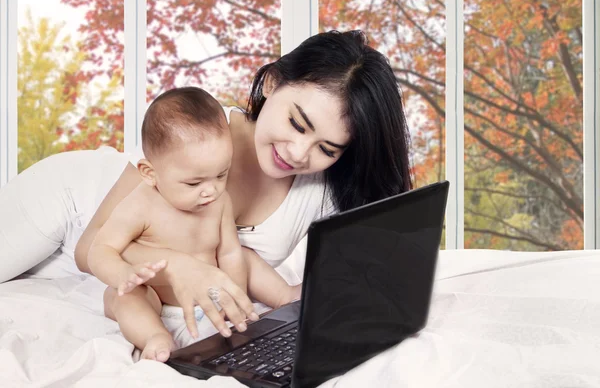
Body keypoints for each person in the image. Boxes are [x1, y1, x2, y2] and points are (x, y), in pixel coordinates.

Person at [0, 30, 413, 347]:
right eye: (296, 123)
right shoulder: (202, 137)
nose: (299, 152)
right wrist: (180, 266)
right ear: (271, 84)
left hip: (124, 284)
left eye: (327, 147)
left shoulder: (322, 189)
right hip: (70, 208)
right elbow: (91, 246)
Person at [86, 87, 299, 361]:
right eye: (194, 182)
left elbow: (229, 253)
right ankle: (155, 336)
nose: (210, 190)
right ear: (150, 174)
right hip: (159, 300)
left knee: (246, 255)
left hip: (209, 294)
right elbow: (100, 249)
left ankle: (284, 295)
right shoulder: (139, 205)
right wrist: (122, 274)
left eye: (221, 174)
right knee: (123, 296)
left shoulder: (219, 201)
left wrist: (231, 296)